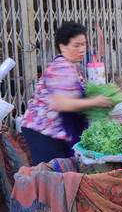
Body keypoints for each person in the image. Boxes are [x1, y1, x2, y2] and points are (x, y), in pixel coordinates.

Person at [21, 22, 114, 166]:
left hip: (56, 130)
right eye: (76, 45)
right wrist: (96, 102)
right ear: (63, 46)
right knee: (53, 176)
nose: (82, 49)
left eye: (83, 44)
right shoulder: (60, 66)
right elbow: (62, 103)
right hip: (44, 131)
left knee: (63, 172)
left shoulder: (73, 66)